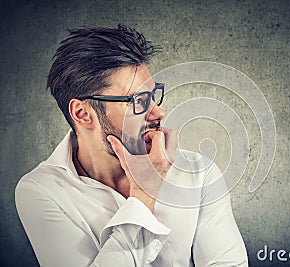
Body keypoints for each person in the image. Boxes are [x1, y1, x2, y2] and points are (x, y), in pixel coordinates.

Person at [15, 24, 248, 266]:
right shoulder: (41, 191)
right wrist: (144, 195)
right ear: (83, 113)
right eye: (138, 101)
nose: (158, 112)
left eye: (153, 96)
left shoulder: (199, 173)